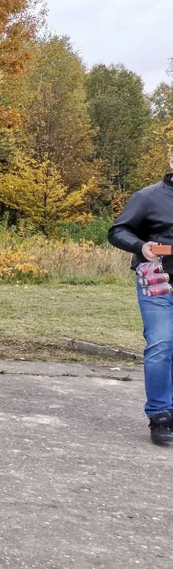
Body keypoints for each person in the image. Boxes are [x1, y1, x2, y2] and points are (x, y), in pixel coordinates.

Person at [108, 148, 173, 445]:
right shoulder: (147, 197)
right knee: (161, 344)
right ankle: (160, 414)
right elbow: (117, 231)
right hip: (158, 283)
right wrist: (140, 246)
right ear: (170, 160)